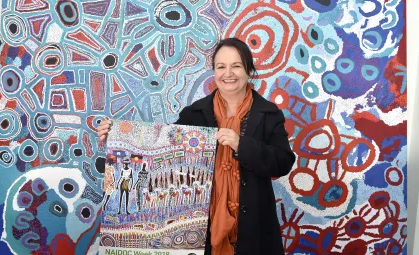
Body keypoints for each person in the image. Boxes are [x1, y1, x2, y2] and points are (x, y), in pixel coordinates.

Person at [97, 37, 296, 255]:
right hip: (202, 230)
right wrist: (117, 138)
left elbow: (283, 163)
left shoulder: (268, 114)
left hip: (255, 229)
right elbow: (158, 151)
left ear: (249, 70)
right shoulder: (194, 114)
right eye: (221, 67)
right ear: (214, 72)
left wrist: (242, 145)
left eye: (236, 66)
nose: (228, 73)